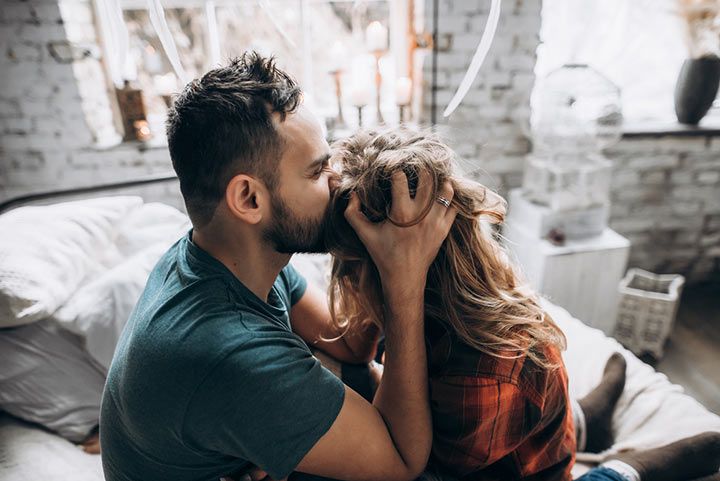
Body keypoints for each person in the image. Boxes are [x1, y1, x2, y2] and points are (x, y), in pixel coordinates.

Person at [99, 53, 455, 481]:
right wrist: (405, 281)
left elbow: (347, 345)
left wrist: (368, 245)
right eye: (317, 170)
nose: (338, 181)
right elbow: (401, 461)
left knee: (360, 375)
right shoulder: (229, 353)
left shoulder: (227, 255)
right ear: (249, 199)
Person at [325, 127, 720, 481]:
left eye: (351, 269)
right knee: (550, 421)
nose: (345, 280)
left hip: (527, 470)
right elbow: (364, 353)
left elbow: (413, 465)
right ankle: (583, 418)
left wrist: (394, 281)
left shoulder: (483, 374)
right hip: (511, 432)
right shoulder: (427, 319)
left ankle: (631, 467)